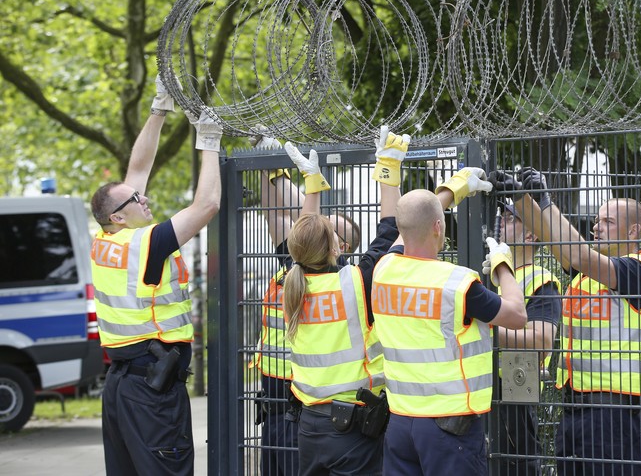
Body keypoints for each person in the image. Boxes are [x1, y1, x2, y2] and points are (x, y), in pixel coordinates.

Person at [490, 168, 641, 476]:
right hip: (576, 410)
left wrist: (544, 201)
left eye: (608, 222)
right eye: (597, 220)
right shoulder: (588, 276)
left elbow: (579, 255)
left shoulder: (639, 273)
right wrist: (522, 198)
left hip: (616, 414)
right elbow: (556, 241)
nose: (597, 227)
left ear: (633, 231)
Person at [90, 73, 222, 475]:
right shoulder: (143, 243)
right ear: (118, 215)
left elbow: (137, 169)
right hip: (152, 387)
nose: (143, 197)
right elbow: (207, 205)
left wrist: (158, 111)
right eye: (135, 200)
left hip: (122, 386)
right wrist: (210, 144)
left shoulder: (107, 238)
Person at [249, 127, 398, 475]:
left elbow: (303, 235)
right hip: (352, 427)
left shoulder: (292, 281)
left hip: (310, 425)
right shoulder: (356, 283)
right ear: (336, 248)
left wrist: (311, 187)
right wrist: (387, 167)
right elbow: (390, 227)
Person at [371, 170, 529, 476]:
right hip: (449, 429)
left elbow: (410, 226)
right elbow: (517, 315)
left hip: (401, 423)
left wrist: (451, 190)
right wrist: (503, 265)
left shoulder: (384, 269)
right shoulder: (457, 284)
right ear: (438, 228)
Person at [489, 200, 561, 476]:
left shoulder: (541, 280)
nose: (500, 223)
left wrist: (487, 332)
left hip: (516, 385)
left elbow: (542, 342)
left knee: (516, 465)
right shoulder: (489, 274)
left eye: (511, 219)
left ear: (531, 235)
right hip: (478, 386)